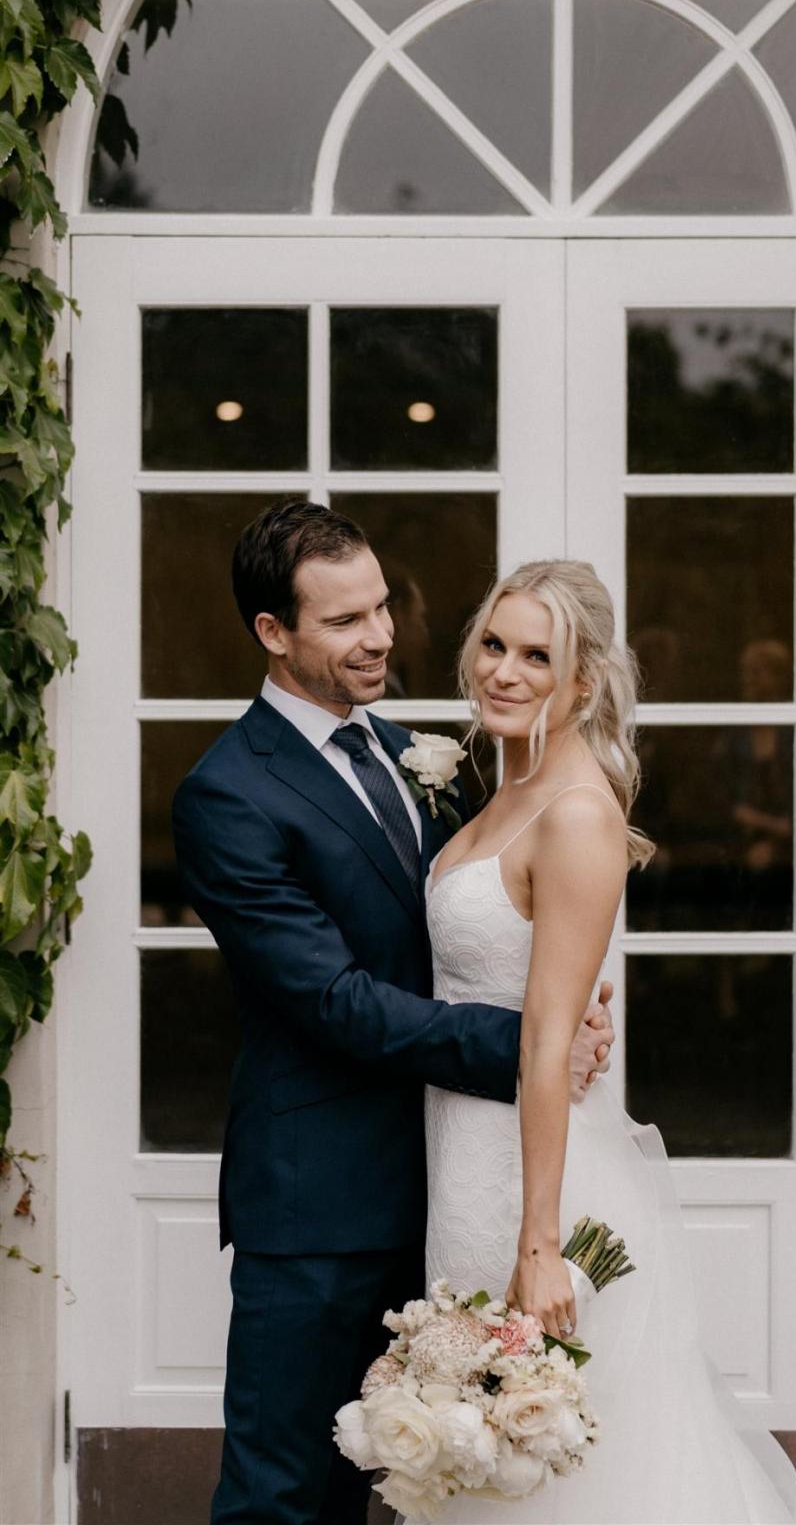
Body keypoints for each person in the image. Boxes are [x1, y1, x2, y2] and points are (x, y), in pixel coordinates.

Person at [171, 503, 614, 1525]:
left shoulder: (416, 756)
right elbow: (331, 1000)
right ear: (273, 634)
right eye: (342, 622)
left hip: (443, 1183)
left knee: (408, 1484)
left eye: (380, 609)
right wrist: (525, 1045)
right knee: (281, 1492)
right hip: (315, 1203)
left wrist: (558, 1004)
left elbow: (487, 924)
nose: (378, 637)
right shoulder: (227, 796)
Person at [414, 561, 796, 1523]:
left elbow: (549, 1045)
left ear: (583, 682)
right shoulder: (509, 786)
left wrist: (541, 1245)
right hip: (464, 1160)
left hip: (532, 1183)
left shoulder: (579, 811)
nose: (504, 672)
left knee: (554, 1467)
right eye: (495, 644)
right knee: (481, 1457)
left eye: (536, 656)